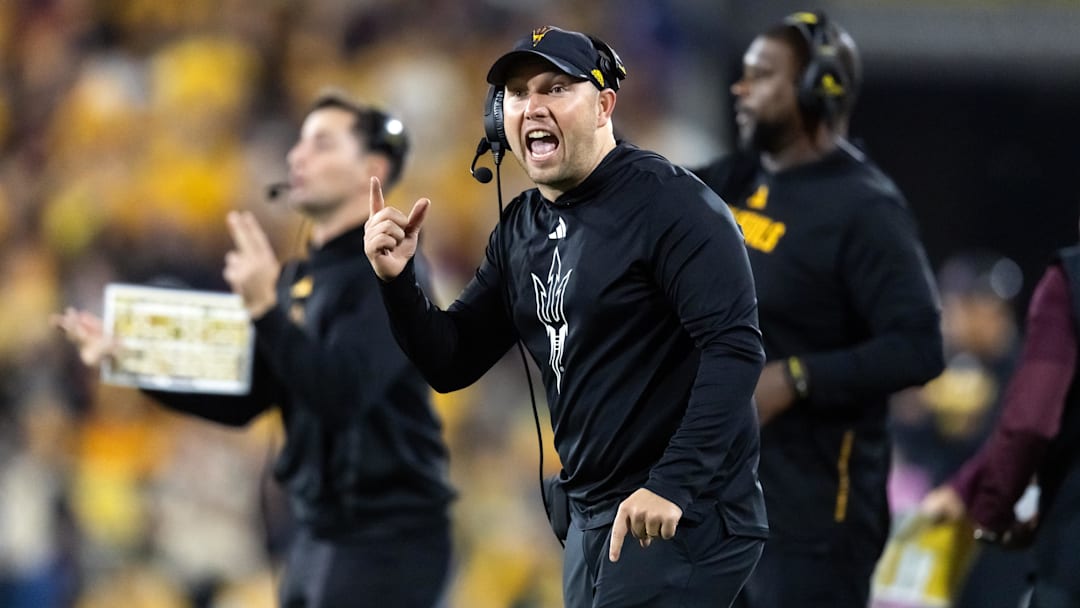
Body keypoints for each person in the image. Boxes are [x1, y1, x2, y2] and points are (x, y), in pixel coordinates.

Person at [365, 25, 768, 608]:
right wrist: (399, 281)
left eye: (555, 88)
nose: (533, 106)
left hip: (684, 512)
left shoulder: (673, 205)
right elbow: (451, 360)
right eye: (518, 94)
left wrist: (673, 484)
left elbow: (734, 350)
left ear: (604, 105)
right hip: (594, 517)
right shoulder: (520, 227)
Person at [52, 91, 455, 608]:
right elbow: (248, 394)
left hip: (385, 536)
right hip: (320, 534)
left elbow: (343, 395)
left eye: (322, 144)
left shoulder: (390, 270)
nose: (297, 156)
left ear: (371, 169)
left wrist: (265, 308)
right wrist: (128, 358)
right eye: (299, 142)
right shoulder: (304, 278)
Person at [691, 11, 945, 607]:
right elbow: (649, 198)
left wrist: (797, 377)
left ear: (815, 90)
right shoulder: (742, 178)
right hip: (723, 503)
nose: (740, 88)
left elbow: (920, 345)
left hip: (815, 522)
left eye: (761, 75)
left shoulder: (866, 210)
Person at [921, 235, 1080, 607]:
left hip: (1036, 534)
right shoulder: (949, 372)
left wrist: (987, 509)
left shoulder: (1032, 359)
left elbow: (1028, 426)